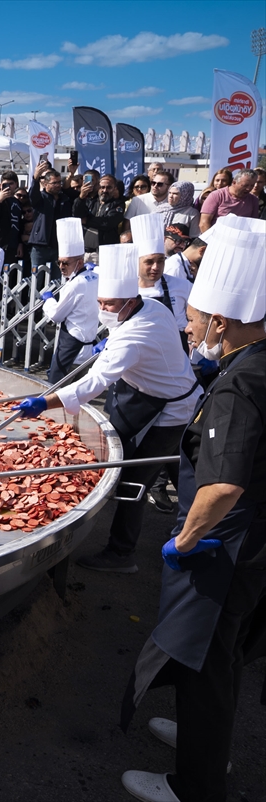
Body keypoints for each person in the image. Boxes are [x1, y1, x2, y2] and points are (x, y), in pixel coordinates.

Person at [118, 215, 265, 802]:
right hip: (254, 543)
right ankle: (204, 742)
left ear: (223, 319)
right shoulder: (253, 364)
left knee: (205, 659)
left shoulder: (240, 384)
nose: (190, 323)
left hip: (226, 550)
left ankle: (196, 786)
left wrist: (183, 540)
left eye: (198, 317)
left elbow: (223, 485)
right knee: (220, 657)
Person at [14, 243, 201, 575]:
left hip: (171, 410)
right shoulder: (151, 307)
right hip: (153, 393)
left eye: (109, 304)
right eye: (99, 302)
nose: (103, 310)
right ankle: (192, 515)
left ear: (130, 302)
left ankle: (122, 553)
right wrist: (109, 339)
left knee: (134, 480)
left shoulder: (133, 335)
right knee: (176, 466)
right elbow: (122, 338)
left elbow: (94, 383)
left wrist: (45, 402)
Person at [42, 218, 100, 383]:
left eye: (66, 263)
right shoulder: (94, 276)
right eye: (59, 262)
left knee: (55, 390)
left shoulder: (75, 284)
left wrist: (48, 300)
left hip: (71, 347)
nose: (61, 267)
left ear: (80, 262)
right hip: (87, 345)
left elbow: (56, 316)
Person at [132, 213, 190, 348]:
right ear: (137, 261)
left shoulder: (183, 286)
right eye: (149, 262)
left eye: (160, 261)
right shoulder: (127, 290)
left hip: (176, 351)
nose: (156, 267)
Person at [74, 174, 125, 249]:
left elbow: (108, 222)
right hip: (85, 249)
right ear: (98, 187)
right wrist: (81, 197)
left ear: (114, 189)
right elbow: (77, 215)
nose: (105, 190)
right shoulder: (90, 201)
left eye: (109, 187)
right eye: (102, 187)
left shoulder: (118, 204)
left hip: (105, 249)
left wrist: (87, 220)